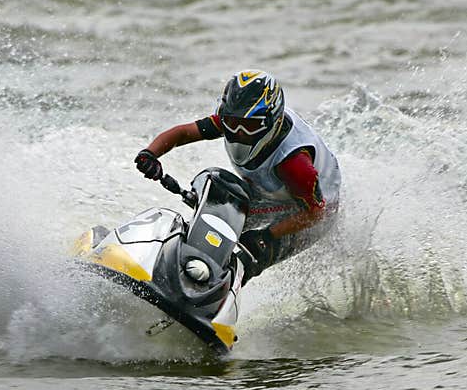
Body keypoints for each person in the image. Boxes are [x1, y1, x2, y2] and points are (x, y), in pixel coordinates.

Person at [134, 69, 342, 285]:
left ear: (272, 121)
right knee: (215, 192)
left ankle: (213, 298)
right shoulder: (236, 120)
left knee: (251, 252)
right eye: (232, 124)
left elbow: (317, 213)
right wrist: (151, 154)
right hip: (270, 194)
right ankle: (170, 265)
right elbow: (183, 133)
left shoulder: (294, 164)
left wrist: (267, 236)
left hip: (308, 213)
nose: (239, 133)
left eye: (249, 127)